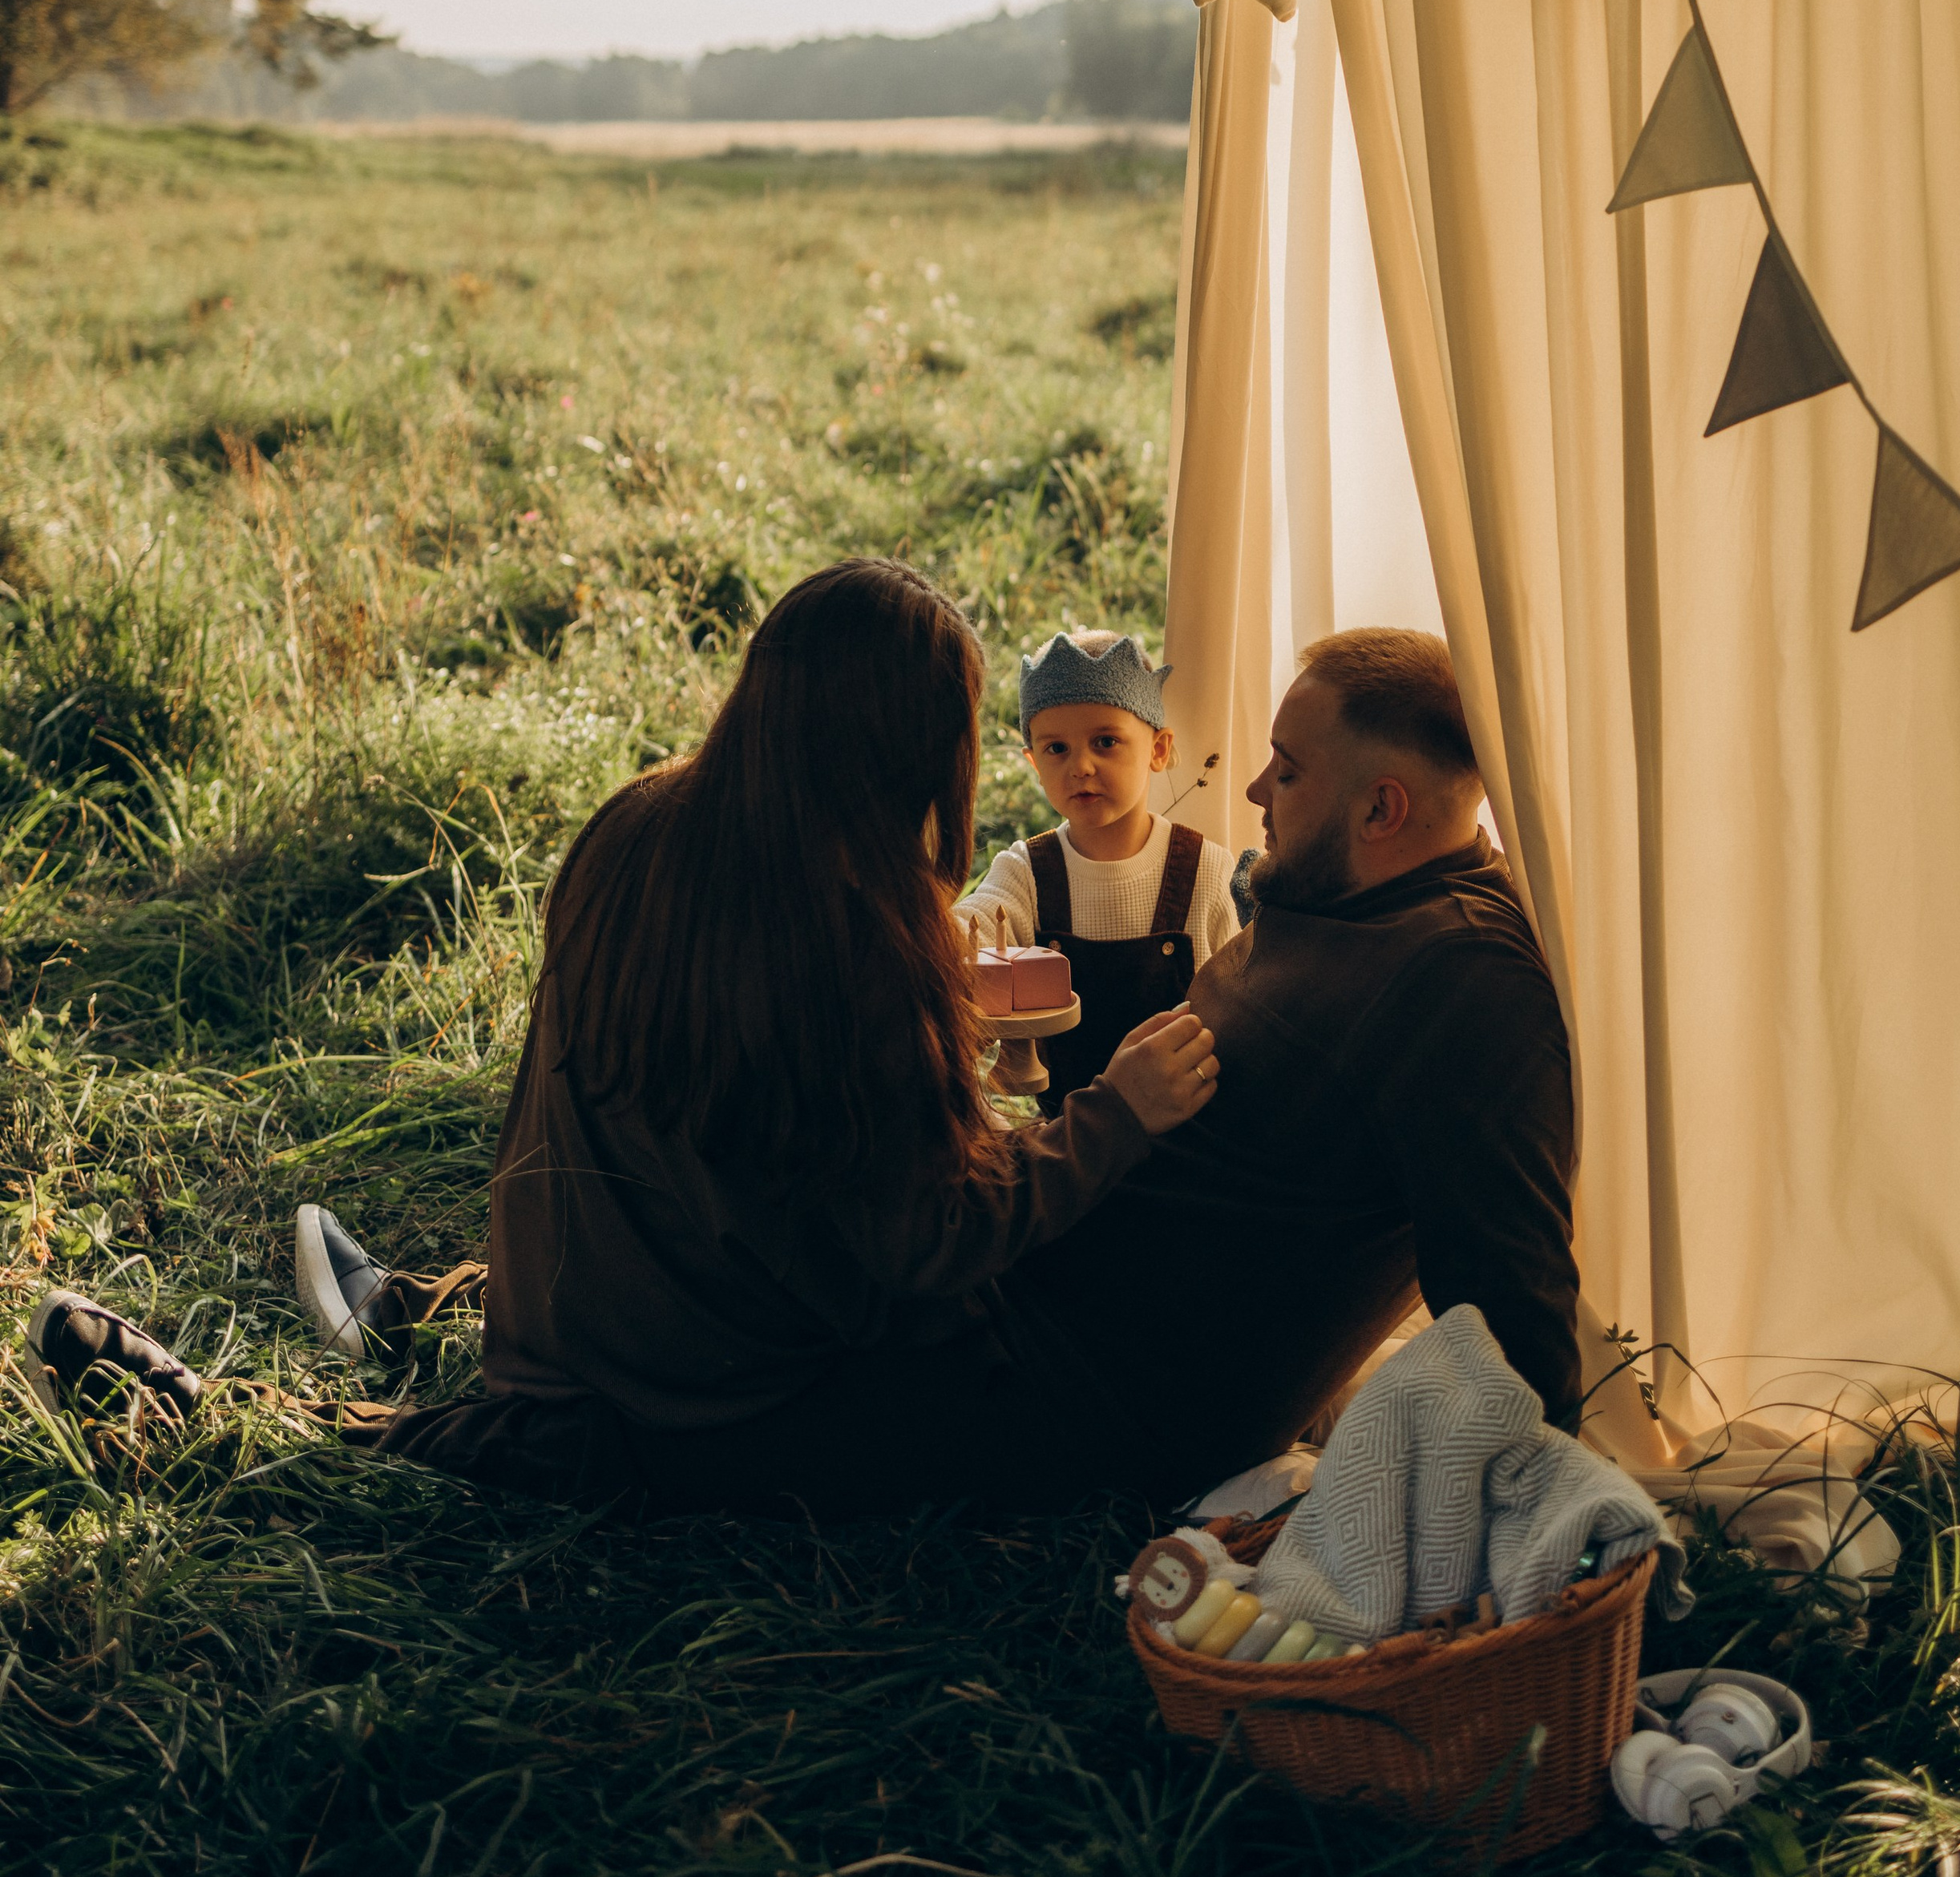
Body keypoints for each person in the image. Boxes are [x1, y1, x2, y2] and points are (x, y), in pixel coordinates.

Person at [23, 560, 1218, 1518]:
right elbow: (932, 1237)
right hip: (709, 1387)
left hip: (585, 1295)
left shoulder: (641, 821)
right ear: (926, 752)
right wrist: (1116, 1113)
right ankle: (208, 1423)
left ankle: (416, 1319)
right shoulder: (853, 927)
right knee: (996, 1409)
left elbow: (699, 1130)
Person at [989, 628, 1580, 1504]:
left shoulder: (1462, 980)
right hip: (1028, 1270)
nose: (1257, 789)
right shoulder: (1342, 888)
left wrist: (1527, 1522)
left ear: (1381, 810)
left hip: (1072, 1388)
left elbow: (1514, 1300)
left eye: (1288, 770)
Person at [957, 628, 1240, 1114]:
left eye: (1105, 741)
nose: (1081, 766)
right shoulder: (1026, 871)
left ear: (1158, 748)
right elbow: (973, 928)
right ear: (1033, 763)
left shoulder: (1207, 870)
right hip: (1071, 1151)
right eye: (1056, 749)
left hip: (1191, 1144)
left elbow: (1241, 1007)